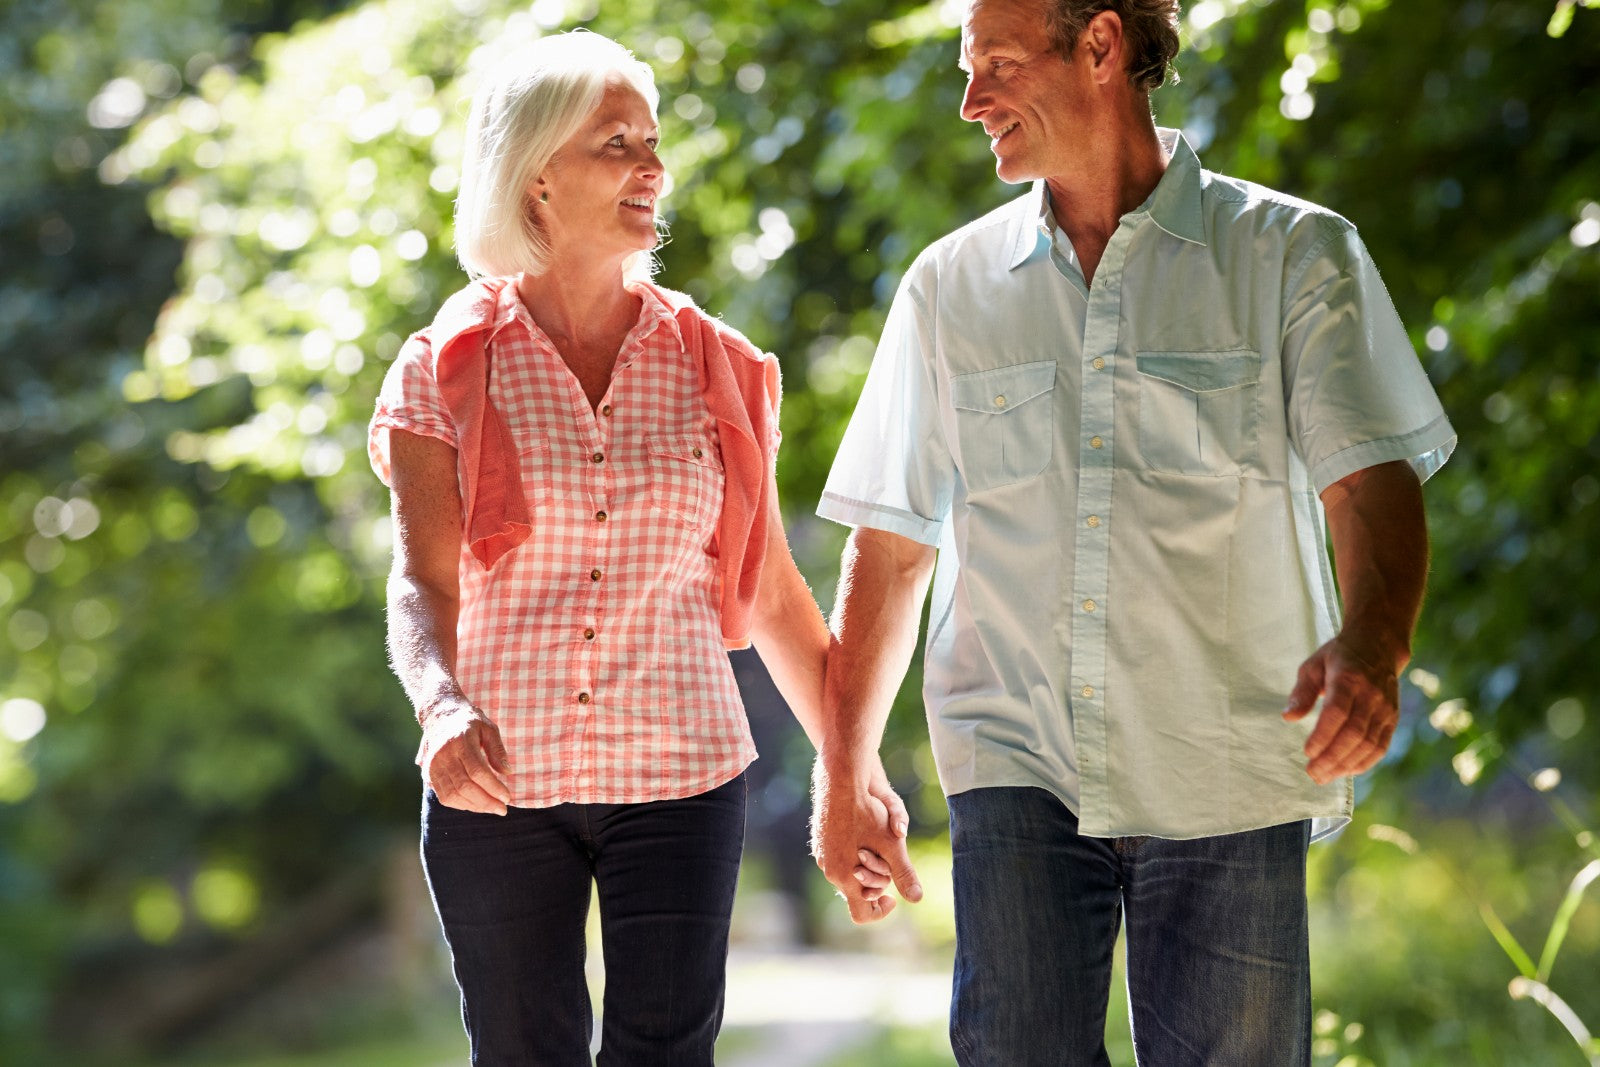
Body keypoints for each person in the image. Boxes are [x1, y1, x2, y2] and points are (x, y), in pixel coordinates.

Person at [808, 0, 1456, 1062]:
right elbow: (890, 544)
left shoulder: (1292, 255)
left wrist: (1373, 644)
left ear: (1100, 45)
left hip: (1227, 751)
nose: (971, 103)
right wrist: (843, 771)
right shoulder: (948, 289)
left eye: (999, 66)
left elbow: (1369, 483)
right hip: (1015, 753)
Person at [368, 30, 904, 1065]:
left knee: (666, 1051)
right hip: (498, 779)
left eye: (653, 142)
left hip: (681, 769)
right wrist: (439, 705)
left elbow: (772, 592)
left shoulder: (715, 367)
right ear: (534, 177)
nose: (652, 169)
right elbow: (422, 580)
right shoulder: (442, 367)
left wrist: (853, 768)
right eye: (616, 143)